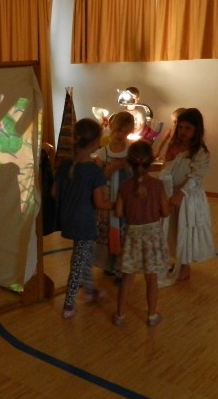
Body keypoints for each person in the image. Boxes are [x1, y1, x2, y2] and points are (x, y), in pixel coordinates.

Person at [52, 118, 113, 319]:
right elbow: (100, 203)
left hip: (68, 219)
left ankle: (89, 290)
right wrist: (118, 204)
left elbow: (54, 192)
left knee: (86, 254)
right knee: (78, 261)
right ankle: (69, 304)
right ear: (95, 143)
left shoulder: (66, 164)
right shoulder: (95, 172)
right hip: (84, 223)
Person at [112, 140, 171, 327]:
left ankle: (120, 315)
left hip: (132, 235)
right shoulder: (158, 185)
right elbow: (165, 212)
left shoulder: (124, 186)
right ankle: (152, 316)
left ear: (129, 162)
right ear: (151, 161)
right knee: (151, 278)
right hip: (152, 236)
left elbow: (118, 212)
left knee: (127, 278)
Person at [158, 108, 216, 284]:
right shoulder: (174, 146)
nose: (183, 131)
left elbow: (195, 177)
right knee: (172, 230)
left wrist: (180, 194)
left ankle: (184, 266)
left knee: (185, 229)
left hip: (188, 198)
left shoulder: (200, 153)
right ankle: (175, 261)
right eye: (180, 127)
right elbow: (167, 169)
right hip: (170, 193)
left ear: (196, 130)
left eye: (188, 128)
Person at [92, 110, 134, 283]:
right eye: (117, 130)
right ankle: (109, 265)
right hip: (108, 201)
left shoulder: (131, 152)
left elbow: (136, 175)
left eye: (125, 132)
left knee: (123, 232)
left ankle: (121, 268)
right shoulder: (103, 153)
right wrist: (114, 166)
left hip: (125, 201)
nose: (120, 135)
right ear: (111, 128)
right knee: (109, 232)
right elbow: (99, 178)